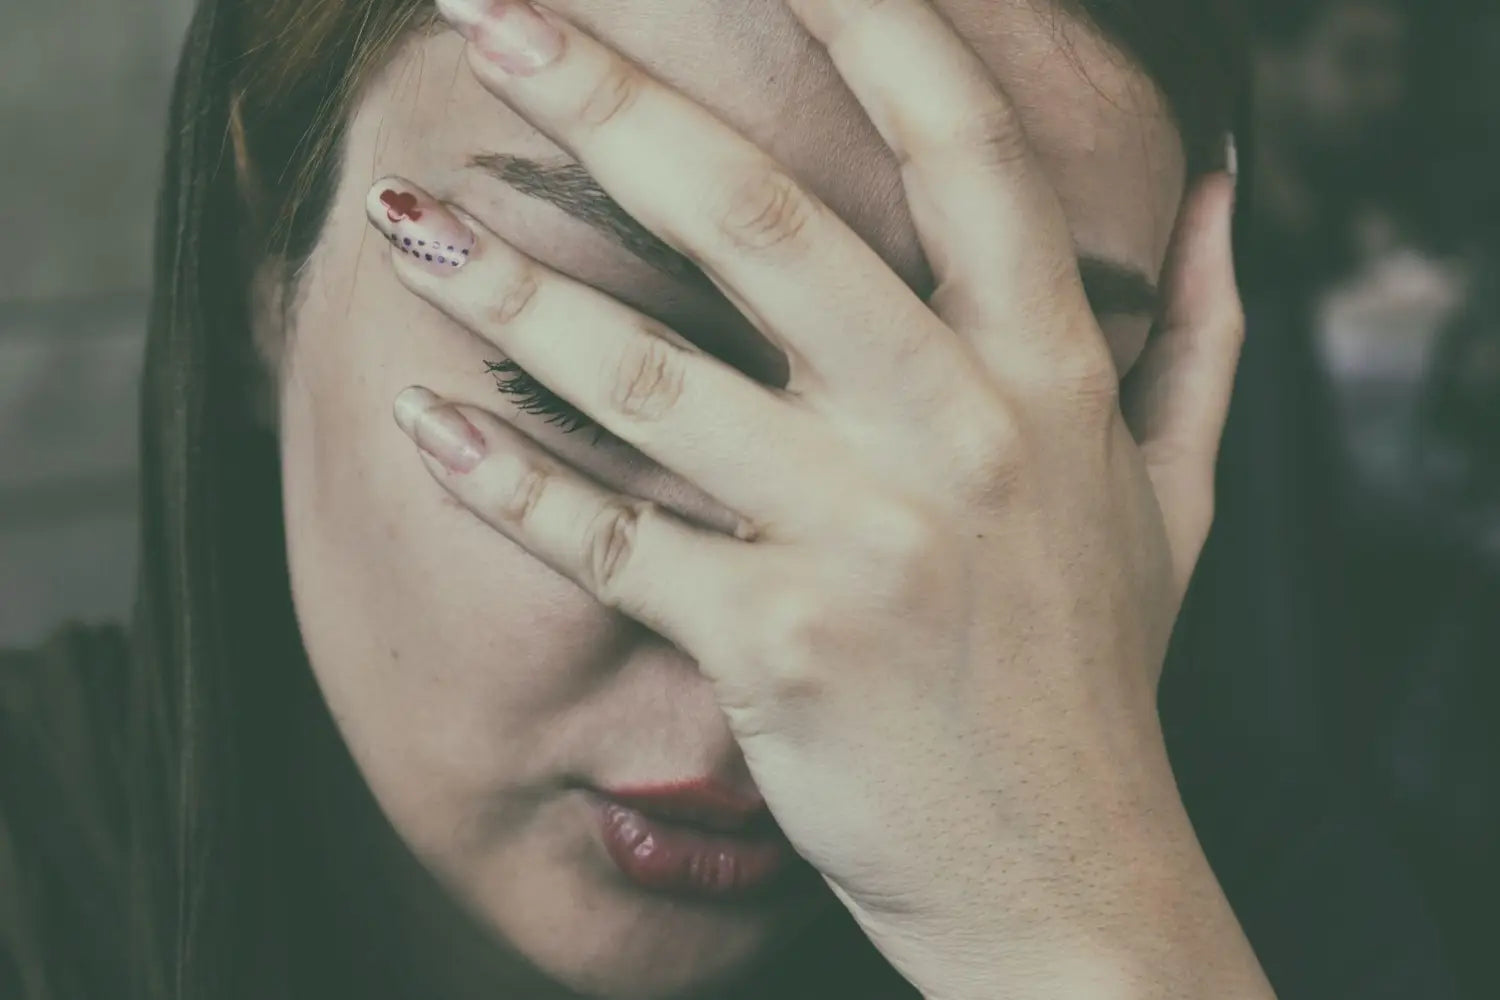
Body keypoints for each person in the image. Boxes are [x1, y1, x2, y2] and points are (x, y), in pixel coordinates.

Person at [0, 1, 1466, 998]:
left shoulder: (1290, 921)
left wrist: (1085, 944)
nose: (793, 648)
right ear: (264, 269)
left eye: (1006, 448)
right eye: (587, 373)